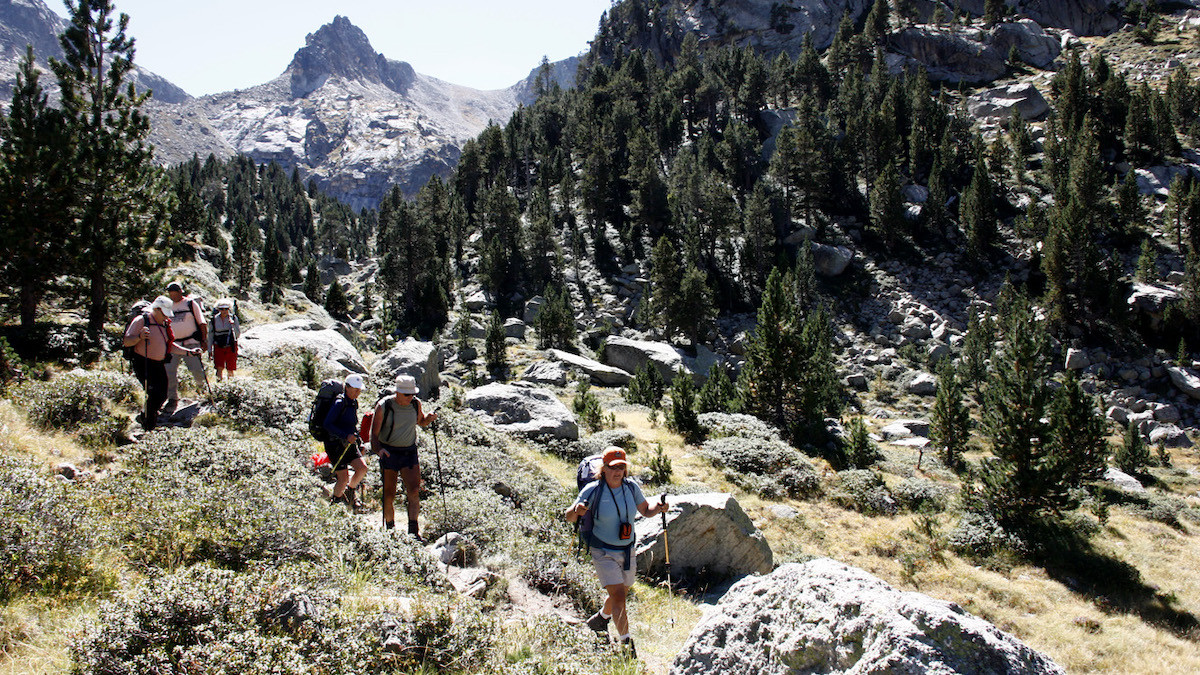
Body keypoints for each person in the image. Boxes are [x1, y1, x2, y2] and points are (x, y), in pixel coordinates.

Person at [564, 447, 668, 658]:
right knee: (619, 597)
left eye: (621, 467)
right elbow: (569, 517)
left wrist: (658, 508)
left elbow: (645, 511)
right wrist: (576, 511)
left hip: (628, 549)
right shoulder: (592, 490)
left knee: (622, 592)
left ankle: (600, 619)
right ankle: (627, 647)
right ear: (604, 469)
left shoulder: (631, 488)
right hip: (603, 551)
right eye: (613, 467)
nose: (618, 471)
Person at [371, 374, 437, 539]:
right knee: (389, 494)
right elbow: (373, 435)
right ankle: (390, 530)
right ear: (397, 392)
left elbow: (420, 421)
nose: (410, 397)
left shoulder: (415, 404)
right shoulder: (383, 406)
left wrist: (428, 419)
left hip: (409, 452)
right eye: (407, 394)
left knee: (414, 491)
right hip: (389, 453)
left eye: (412, 394)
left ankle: (413, 532)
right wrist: (379, 450)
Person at [122, 296, 203, 431]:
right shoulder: (141, 320)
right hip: (143, 362)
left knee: (163, 394)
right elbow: (127, 341)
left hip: (159, 363)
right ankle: (149, 425)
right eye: (165, 313)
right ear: (157, 309)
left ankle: (146, 417)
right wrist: (139, 337)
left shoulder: (165, 324)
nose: (166, 317)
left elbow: (169, 346)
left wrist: (189, 352)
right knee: (154, 394)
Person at [324, 373, 368, 510]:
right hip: (335, 445)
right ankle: (335, 504)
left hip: (349, 443)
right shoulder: (339, 403)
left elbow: (352, 423)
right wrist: (344, 435)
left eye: (359, 390)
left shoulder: (353, 403)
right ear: (347, 387)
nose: (357, 392)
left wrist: (357, 440)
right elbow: (327, 424)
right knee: (343, 478)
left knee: (362, 469)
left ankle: (350, 491)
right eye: (355, 389)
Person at [163, 281, 209, 410]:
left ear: (180, 292)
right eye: (170, 293)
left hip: (191, 343)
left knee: (196, 369)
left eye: (175, 293)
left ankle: (203, 392)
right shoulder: (168, 306)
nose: (173, 296)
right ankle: (172, 398)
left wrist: (204, 340)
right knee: (169, 371)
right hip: (173, 345)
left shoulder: (190, 303)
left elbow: (202, 323)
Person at [208, 298, 240, 381]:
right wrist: (209, 349)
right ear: (218, 309)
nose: (224, 311)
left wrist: (233, 325)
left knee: (230, 368)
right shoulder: (213, 320)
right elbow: (210, 335)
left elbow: (238, 334)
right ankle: (219, 386)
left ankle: (231, 386)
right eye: (222, 309)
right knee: (219, 367)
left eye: (226, 309)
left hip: (231, 345)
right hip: (218, 345)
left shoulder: (233, 318)